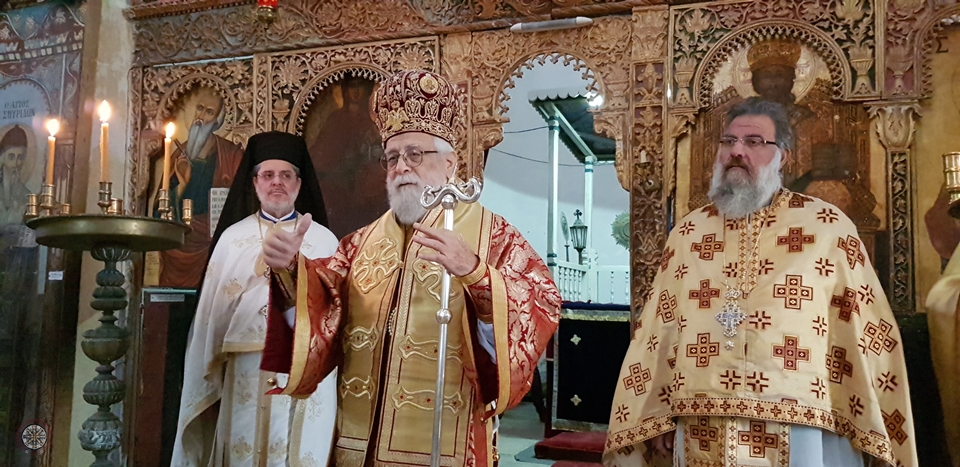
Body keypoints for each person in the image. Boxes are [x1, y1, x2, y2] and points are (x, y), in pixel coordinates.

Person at [259, 70, 561, 466]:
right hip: (358, 445)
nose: (402, 167)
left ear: (450, 163)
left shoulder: (492, 235)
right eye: (392, 157)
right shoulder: (359, 243)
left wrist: (476, 272)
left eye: (416, 154)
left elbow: (543, 301)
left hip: (446, 446)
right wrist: (290, 273)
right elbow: (325, 307)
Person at [605, 98, 917, 467]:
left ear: (782, 156)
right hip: (701, 414)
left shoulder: (826, 227)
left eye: (753, 142)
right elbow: (659, 331)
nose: (737, 151)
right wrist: (654, 414)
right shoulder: (688, 234)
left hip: (802, 419)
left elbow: (868, 328)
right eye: (728, 142)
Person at [172, 131, 337, 467]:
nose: (277, 182)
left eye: (286, 175)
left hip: (305, 374)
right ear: (255, 182)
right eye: (268, 175)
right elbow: (209, 323)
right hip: (244, 371)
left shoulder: (325, 242)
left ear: (299, 183)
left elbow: (337, 319)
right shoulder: (232, 240)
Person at [152, 86, 245, 288]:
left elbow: (244, 206)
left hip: (215, 247)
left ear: (218, 121)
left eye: (209, 112)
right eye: (200, 108)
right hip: (179, 246)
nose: (201, 117)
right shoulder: (177, 155)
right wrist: (182, 186)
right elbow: (160, 212)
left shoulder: (231, 155)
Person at [309, 76, 389, 238]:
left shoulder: (375, 121)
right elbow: (320, 157)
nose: (356, 92)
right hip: (339, 183)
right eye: (352, 86)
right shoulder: (336, 120)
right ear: (345, 90)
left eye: (360, 86)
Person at [0, 125, 31, 226]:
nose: (16, 163)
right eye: (11, 157)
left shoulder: (26, 194)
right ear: (2, 158)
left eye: (20, 157)